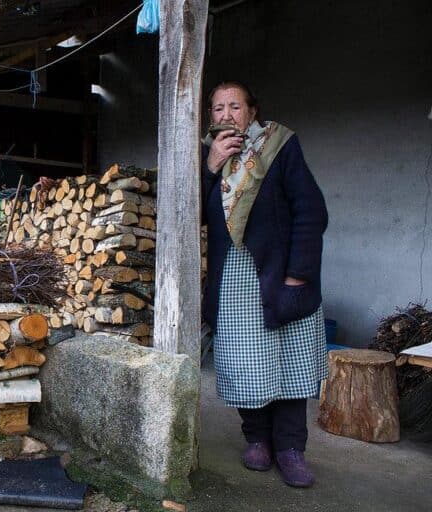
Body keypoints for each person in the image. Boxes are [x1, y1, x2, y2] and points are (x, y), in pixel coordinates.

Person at [201, 81, 329, 488]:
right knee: (244, 364)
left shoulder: (279, 145)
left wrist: (299, 275)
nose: (225, 115)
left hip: (280, 271)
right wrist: (211, 166)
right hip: (234, 276)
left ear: (252, 112)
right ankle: (257, 438)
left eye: (234, 107)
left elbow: (312, 210)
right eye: (218, 108)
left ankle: (291, 449)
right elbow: (193, 215)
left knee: (290, 363)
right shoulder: (209, 155)